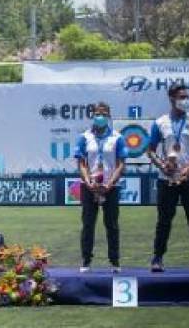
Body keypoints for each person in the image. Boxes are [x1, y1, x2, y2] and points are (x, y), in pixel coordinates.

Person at [147, 82, 189, 272]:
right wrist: (163, 166)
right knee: (164, 220)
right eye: (182, 97)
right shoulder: (160, 123)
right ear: (172, 99)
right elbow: (150, 151)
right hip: (166, 179)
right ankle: (157, 258)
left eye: (187, 97)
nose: (186, 100)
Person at [74, 102, 127, 273]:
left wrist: (109, 184)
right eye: (97, 114)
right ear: (93, 115)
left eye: (104, 114)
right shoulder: (84, 137)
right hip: (89, 186)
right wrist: (88, 181)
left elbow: (121, 164)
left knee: (112, 225)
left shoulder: (117, 138)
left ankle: (114, 262)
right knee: (88, 224)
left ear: (109, 116)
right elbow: (81, 163)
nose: (100, 117)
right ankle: (86, 261)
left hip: (111, 187)